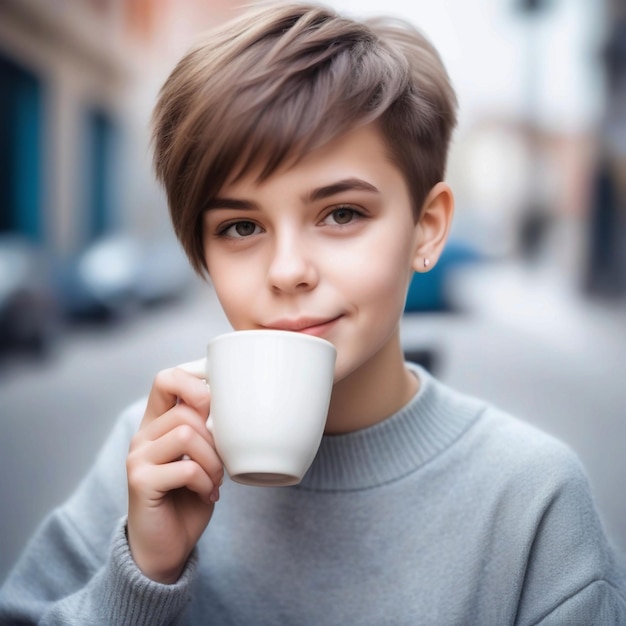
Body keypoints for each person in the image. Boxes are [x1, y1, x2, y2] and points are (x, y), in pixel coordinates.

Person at [1, 2, 625, 624]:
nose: (287, 269)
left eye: (341, 214)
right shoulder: (152, 459)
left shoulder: (533, 502)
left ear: (427, 230)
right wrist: (139, 572)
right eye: (241, 226)